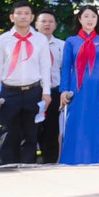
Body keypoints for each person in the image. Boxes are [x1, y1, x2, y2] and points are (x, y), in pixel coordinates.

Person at [0, 2, 53, 165]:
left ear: (32, 17)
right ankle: (6, 171)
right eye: (19, 13)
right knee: (8, 134)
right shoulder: (2, 40)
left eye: (26, 13)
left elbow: (45, 66)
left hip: (33, 91)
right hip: (9, 92)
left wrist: (46, 92)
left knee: (30, 135)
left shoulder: (40, 40)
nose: (23, 16)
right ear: (12, 17)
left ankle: (28, 172)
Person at [56, 5, 99, 166]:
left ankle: (92, 160)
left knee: (94, 124)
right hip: (76, 88)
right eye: (86, 16)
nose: (90, 20)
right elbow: (66, 67)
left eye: (93, 16)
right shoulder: (71, 41)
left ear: (97, 19)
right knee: (75, 123)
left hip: (97, 88)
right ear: (80, 19)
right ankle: (71, 160)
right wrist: (64, 90)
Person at [35, 10, 64, 164]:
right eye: (43, 21)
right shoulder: (31, 44)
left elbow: (66, 70)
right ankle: (29, 164)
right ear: (36, 24)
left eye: (50, 21)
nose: (47, 24)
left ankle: (50, 164)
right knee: (32, 129)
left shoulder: (61, 45)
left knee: (52, 130)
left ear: (55, 25)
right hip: (34, 91)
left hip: (54, 92)